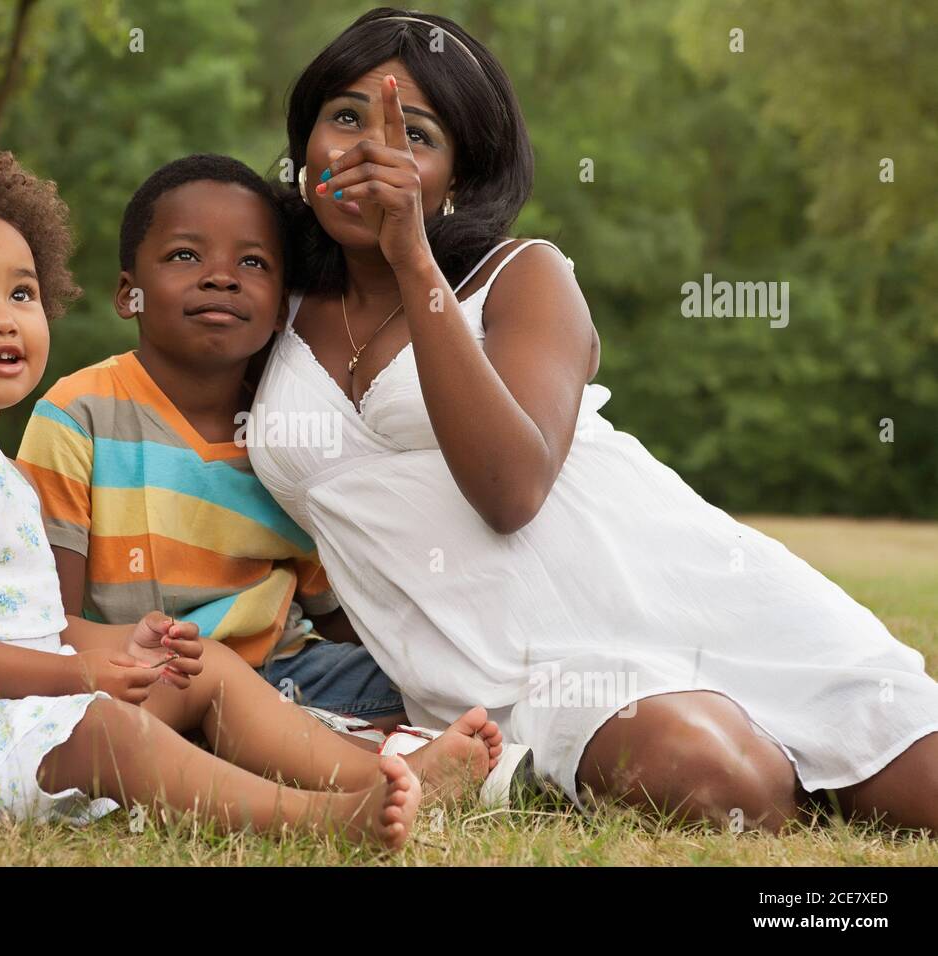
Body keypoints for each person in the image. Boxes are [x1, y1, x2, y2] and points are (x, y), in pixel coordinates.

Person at [247, 8, 938, 833]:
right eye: (347, 118)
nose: (372, 151)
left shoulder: (522, 275)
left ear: (459, 177)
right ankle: (775, 773)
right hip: (517, 675)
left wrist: (410, 257)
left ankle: (807, 755)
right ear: (306, 145)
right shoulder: (264, 301)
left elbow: (510, 488)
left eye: (416, 136)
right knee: (716, 783)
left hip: (686, 595)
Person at [0, 133, 501, 848]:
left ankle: (383, 772)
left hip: (9, 710)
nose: (3, 316)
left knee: (202, 670)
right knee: (115, 732)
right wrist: (76, 675)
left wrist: (122, 647)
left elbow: (32, 624)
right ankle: (322, 821)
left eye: (21, 292)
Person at [17, 154, 408, 732]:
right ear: (130, 295)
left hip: (292, 672)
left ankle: (368, 738)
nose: (221, 276)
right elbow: (51, 625)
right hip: (144, 678)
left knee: (432, 680)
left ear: (280, 309)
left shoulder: (286, 435)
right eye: (184, 255)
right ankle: (349, 750)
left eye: (252, 262)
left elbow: (334, 611)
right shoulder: (79, 416)